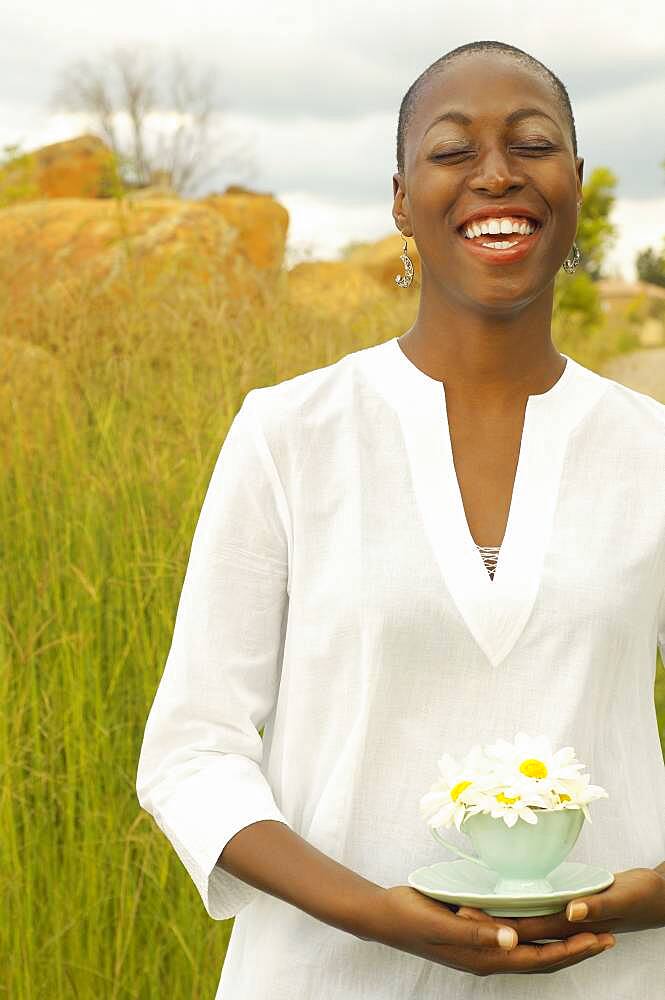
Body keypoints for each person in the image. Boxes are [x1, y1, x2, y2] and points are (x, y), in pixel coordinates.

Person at [135, 39, 665, 998]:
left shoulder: (652, 452)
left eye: (531, 144)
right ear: (398, 199)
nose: (495, 173)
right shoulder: (289, 435)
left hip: (608, 978)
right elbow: (192, 751)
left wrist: (641, 898)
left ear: (576, 184)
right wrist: (371, 911)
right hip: (329, 975)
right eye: (452, 151)